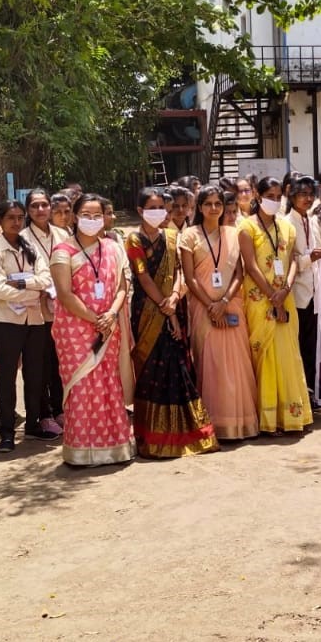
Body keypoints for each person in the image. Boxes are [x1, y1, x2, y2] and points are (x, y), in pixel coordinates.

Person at [125, 188, 218, 457]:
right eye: (151, 208)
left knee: (177, 367)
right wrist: (165, 307)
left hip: (173, 306)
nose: (158, 213)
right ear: (140, 211)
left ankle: (186, 433)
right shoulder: (133, 239)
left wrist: (175, 298)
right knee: (151, 370)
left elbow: (179, 271)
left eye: (161, 208)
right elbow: (143, 277)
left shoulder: (172, 236)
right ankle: (152, 438)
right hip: (147, 311)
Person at [50, 193, 135, 466]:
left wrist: (111, 314)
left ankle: (115, 447)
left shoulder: (113, 248)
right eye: (86, 215)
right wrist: (94, 319)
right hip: (75, 330)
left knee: (110, 384)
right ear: (75, 217)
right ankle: (80, 452)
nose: (92, 220)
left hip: (109, 327)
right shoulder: (63, 252)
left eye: (97, 215)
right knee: (82, 386)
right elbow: (65, 294)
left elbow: (122, 287)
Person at [180, 187, 260, 440]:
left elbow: (239, 274)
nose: (214, 208)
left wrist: (223, 302)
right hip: (202, 307)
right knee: (211, 363)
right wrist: (210, 306)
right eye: (208, 204)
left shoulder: (234, 234)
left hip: (231, 304)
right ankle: (213, 425)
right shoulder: (189, 235)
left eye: (218, 204)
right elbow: (190, 278)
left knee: (237, 364)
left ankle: (241, 424)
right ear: (199, 208)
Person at [238, 176, 313, 434]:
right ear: (257, 196)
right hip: (260, 299)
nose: (274, 200)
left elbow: (292, 260)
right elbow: (250, 266)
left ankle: (291, 416)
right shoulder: (247, 227)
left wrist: (285, 290)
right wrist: (272, 295)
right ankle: (269, 420)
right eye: (269, 196)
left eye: (278, 196)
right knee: (266, 354)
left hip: (285, 297)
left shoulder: (287, 227)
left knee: (288, 353)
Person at [0, 199, 58, 451]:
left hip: (35, 320)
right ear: (0, 221)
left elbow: (46, 278)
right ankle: (6, 431)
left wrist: (24, 284)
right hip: (8, 322)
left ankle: (33, 424)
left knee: (35, 375)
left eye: (19, 217)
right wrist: (33, 292)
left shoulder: (30, 247)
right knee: (6, 377)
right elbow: (0, 290)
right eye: (10, 218)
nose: (16, 222)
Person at [21, 188, 69, 434]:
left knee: (59, 362)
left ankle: (60, 408)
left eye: (44, 205)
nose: (40, 210)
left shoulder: (62, 233)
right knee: (38, 364)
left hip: (62, 307)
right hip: (36, 308)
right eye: (34, 206)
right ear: (27, 210)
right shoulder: (22, 237)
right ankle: (43, 414)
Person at [286, 176, 321, 398]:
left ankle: (311, 391)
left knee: (312, 346)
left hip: (315, 293)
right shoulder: (286, 223)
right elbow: (288, 261)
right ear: (292, 196)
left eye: (311, 194)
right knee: (298, 346)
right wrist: (311, 258)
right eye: (303, 194)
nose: (308, 199)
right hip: (297, 294)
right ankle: (300, 394)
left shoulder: (313, 221)